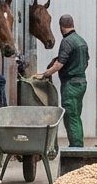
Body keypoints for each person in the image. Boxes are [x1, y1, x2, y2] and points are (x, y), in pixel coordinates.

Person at [35, 14, 89, 147]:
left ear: (61, 27)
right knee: (76, 116)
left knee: (71, 117)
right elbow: (86, 62)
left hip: (71, 85)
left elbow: (59, 64)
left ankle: (76, 148)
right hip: (81, 82)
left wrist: (45, 74)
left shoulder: (67, 41)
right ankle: (78, 145)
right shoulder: (81, 40)